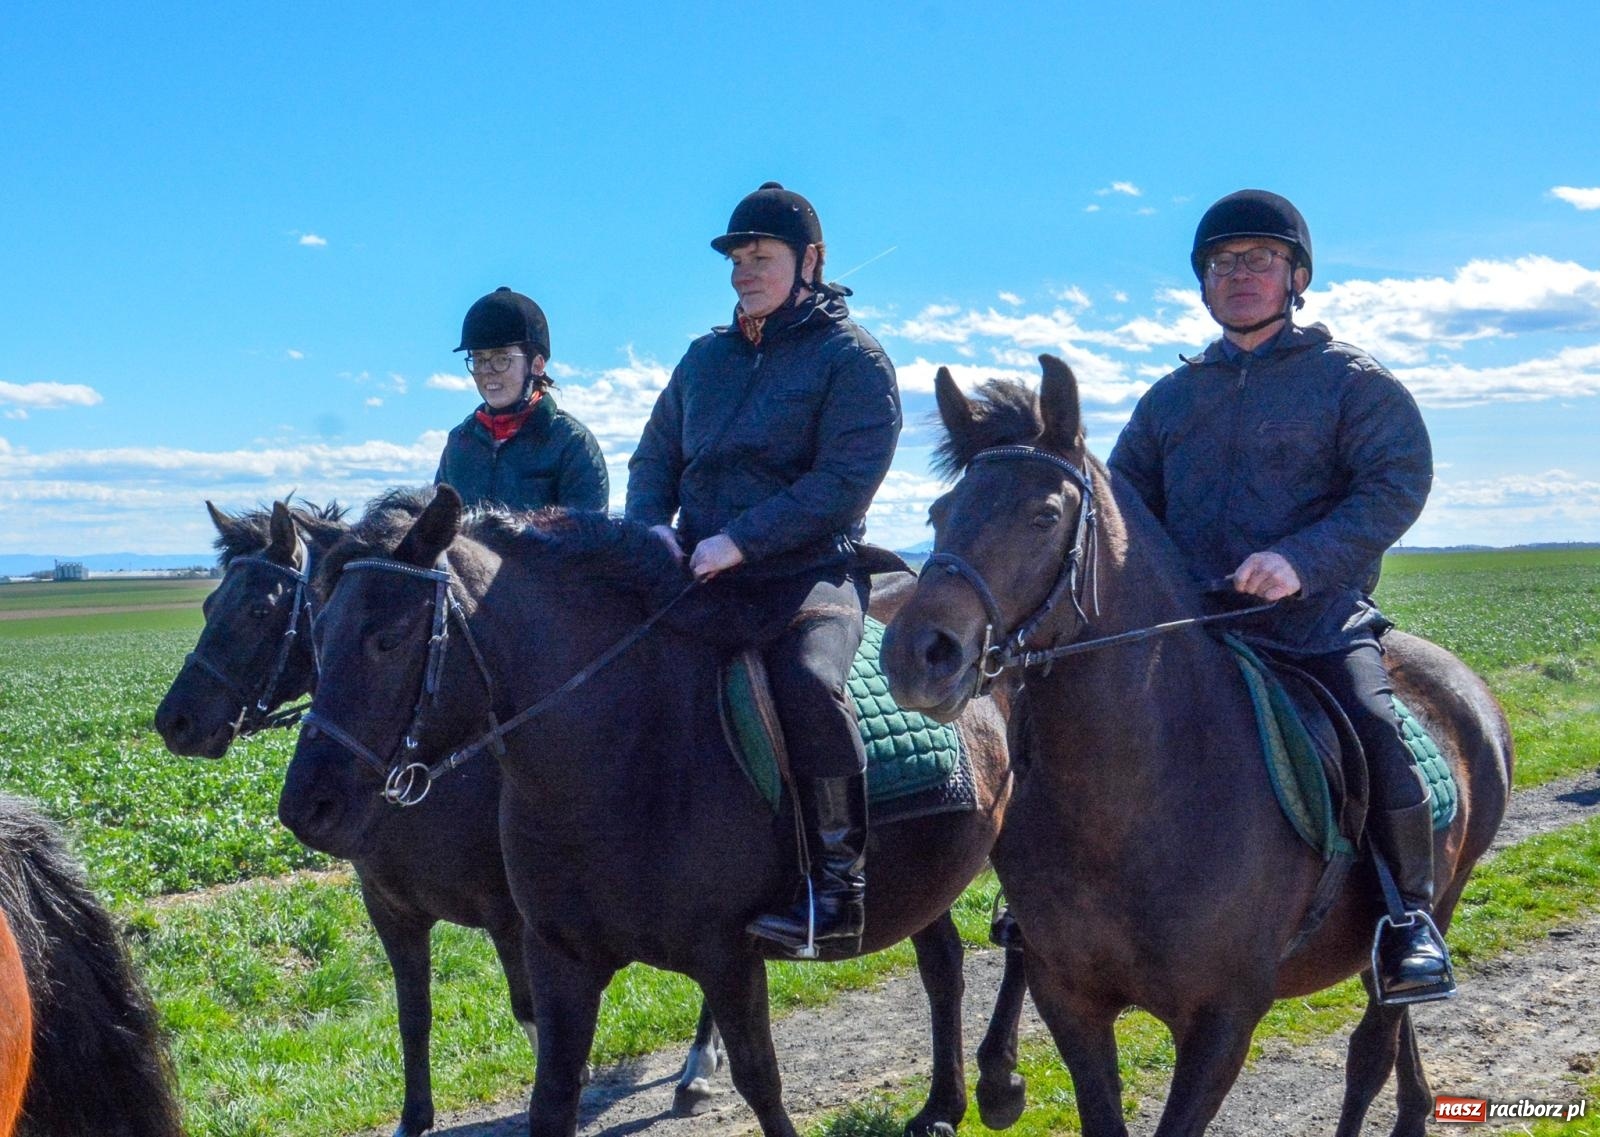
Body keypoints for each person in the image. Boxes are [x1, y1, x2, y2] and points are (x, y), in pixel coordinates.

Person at [1107, 189, 1452, 1003]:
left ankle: (1409, 921)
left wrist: (1301, 558)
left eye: (1260, 259)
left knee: (1373, 728)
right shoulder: (1171, 396)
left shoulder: (1350, 383)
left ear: (1297, 275)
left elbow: (1397, 482)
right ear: (1203, 285)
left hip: (1311, 621)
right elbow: (1123, 503)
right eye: (1223, 264)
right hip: (1192, 624)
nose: (1240, 275)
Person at [627, 182, 901, 957]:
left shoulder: (854, 361)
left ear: (810, 260)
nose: (745, 270)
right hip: (697, 568)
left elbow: (842, 482)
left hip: (808, 575)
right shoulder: (702, 359)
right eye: (738, 258)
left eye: (762, 256)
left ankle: (838, 889)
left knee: (809, 685)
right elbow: (655, 457)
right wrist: (653, 528)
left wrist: (740, 541)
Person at [436, 286, 609, 512]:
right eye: (478, 359)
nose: (487, 371)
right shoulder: (459, 443)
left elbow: (590, 539)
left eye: (501, 359)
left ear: (536, 365)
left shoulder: (572, 443)